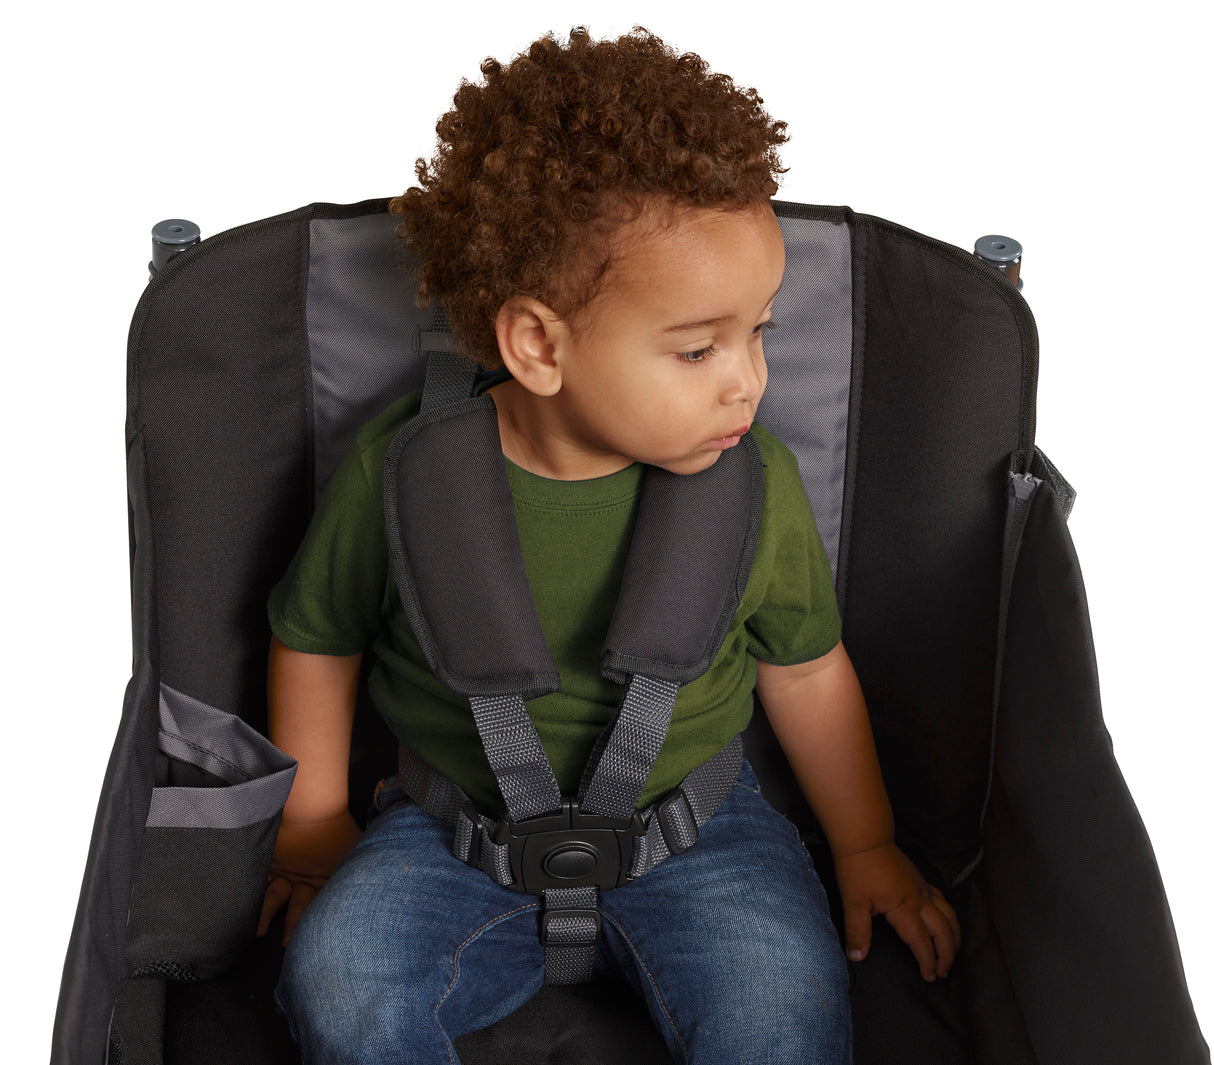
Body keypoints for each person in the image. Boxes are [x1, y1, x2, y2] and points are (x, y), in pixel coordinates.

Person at [258, 27, 960, 1064]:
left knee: (782, 1019)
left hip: (700, 828)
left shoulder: (753, 484)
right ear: (537, 345)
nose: (746, 382)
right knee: (340, 984)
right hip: (450, 826)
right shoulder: (405, 473)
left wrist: (864, 846)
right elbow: (317, 639)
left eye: (760, 330)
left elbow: (805, 671)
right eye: (696, 347)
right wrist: (310, 827)